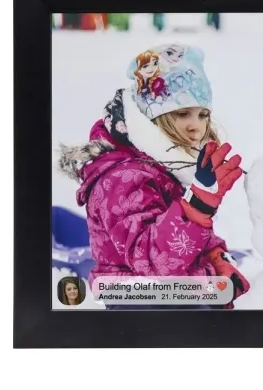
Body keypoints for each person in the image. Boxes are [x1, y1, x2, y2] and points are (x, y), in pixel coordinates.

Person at [57, 43, 250, 310]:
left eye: (203, 114)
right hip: (138, 301)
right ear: (153, 116)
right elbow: (152, 262)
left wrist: (215, 256)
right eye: (183, 113)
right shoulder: (122, 178)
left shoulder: (164, 166)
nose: (196, 126)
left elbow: (182, 237)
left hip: (170, 294)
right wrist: (196, 208)